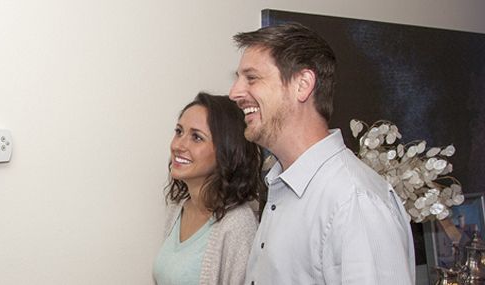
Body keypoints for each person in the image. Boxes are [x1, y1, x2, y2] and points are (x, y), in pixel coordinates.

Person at [229, 23, 413, 284]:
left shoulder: (354, 202)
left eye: (252, 78)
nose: (234, 93)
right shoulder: (283, 186)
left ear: (302, 84)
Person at [153, 93, 264, 285]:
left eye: (196, 137)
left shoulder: (238, 225)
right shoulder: (178, 208)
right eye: (179, 131)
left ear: (226, 150)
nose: (178, 145)